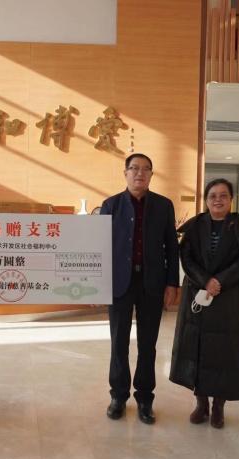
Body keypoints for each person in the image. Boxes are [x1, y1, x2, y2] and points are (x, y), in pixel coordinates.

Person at [169, 178, 239, 429]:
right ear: (206, 200)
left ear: (231, 199)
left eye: (223, 195)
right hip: (198, 293)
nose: (217, 200)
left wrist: (220, 280)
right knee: (196, 348)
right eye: (212, 196)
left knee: (225, 352)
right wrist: (206, 280)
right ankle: (201, 404)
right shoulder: (196, 225)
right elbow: (186, 257)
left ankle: (219, 406)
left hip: (230, 298)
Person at [100, 153, 179, 424]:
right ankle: (118, 396)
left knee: (148, 345)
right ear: (125, 173)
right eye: (134, 168)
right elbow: (99, 247)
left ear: (151, 175)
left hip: (151, 282)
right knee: (118, 343)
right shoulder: (111, 205)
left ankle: (145, 398)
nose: (139, 173)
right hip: (118, 283)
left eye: (146, 169)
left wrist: (172, 283)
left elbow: (172, 247)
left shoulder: (163, 205)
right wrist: (95, 285)